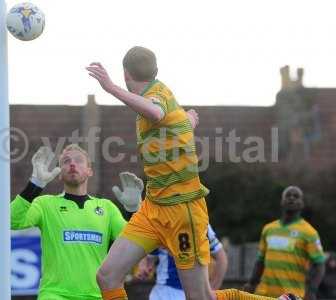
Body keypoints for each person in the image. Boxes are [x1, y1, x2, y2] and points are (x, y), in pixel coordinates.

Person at [87, 46, 298, 300]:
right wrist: (187, 122)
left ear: (125, 73)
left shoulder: (156, 93)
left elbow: (155, 111)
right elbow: (168, 120)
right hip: (152, 209)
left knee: (201, 297)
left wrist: (110, 88)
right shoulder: (164, 99)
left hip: (182, 211)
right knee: (107, 276)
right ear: (155, 69)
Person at [10, 145, 144, 300]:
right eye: (66, 161)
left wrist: (134, 210)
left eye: (79, 160)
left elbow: (134, 244)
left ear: (89, 171)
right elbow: (12, 221)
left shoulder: (106, 208)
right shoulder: (45, 204)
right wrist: (35, 184)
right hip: (55, 294)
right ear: (59, 174)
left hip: (97, 295)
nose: (72, 164)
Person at [244, 186, 325, 300]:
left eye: (296, 196)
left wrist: (311, 291)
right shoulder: (268, 229)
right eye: (288, 195)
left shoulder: (309, 232)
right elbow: (260, 260)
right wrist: (252, 283)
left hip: (292, 295)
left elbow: (319, 264)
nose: (291, 198)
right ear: (282, 201)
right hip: (264, 294)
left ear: (302, 203)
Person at [136, 224, 228, 300]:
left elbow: (221, 258)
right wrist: (144, 266)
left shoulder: (200, 222)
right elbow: (150, 256)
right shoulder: (157, 221)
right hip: (164, 291)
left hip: (189, 293)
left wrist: (211, 290)